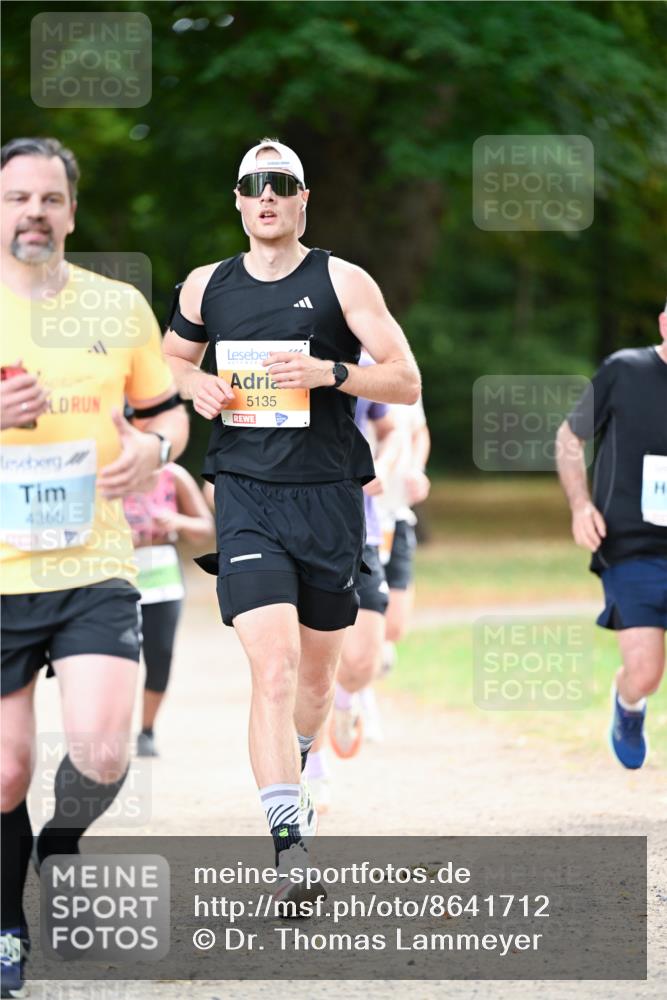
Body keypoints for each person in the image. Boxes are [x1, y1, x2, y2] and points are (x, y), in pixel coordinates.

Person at [162, 138, 420, 906]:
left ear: (302, 199)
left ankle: (303, 754)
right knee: (269, 667)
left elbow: (405, 380)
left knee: (315, 678)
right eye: (253, 184)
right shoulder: (207, 286)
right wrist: (192, 386)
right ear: (238, 201)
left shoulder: (341, 280)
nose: (267, 195)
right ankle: (288, 844)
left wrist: (329, 373)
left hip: (330, 497)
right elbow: (166, 364)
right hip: (244, 496)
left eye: (282, 183)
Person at [0, 137, 188, 998]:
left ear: (71, 212)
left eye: (48, 199)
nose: (32, 213)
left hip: (95, 562)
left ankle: (61, 842)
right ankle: (8, 926)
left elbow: (167, 414)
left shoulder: (118, 307)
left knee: (105, 752)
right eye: (15, 198)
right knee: (4, 772)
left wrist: (152, 448)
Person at [556, 300, 667, 769]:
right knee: (645, 673)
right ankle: (628, 702)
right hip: (632, 544)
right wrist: (581, 504)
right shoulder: (625, 370)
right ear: (664, 323)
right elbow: (569, 438)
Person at [307, 359, 399, 807]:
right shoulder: (271, 349)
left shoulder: (361, 366)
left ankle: (346, 699)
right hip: (295, 528)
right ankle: (313, 767)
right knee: (309, 666)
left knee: (364, 659)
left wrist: (382, 464)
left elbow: (392, 428)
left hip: (357, 527)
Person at [123, 462, 214, 757]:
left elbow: (205, 529)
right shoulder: (107, 471)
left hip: (162, 574)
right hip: (117, 574)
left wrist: (178, 522)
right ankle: (110, 730)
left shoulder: (173, 475)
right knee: (116, 657)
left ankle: (147, 730)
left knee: (160, 654)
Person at [377, 397, 431, 674]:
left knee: (394, 625)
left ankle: (360, 677)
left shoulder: (405, 373)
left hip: (396, 514)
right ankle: (353, 698)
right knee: (358, 620)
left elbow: (419, 431)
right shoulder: (344, 367)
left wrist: (417, 470)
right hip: (357, 516)